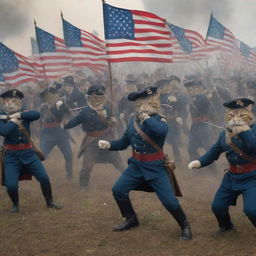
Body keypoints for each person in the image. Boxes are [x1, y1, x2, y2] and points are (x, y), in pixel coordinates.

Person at [98, 86, 192, 240]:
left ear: (154, 103)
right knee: (118, 190)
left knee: (169, 202)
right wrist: (109, 145)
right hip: (136, 166)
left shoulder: (159, 119)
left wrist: (146, 118)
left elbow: (160, 132)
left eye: (146, 103)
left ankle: (185, 225)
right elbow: (123, 143)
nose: (142, 106)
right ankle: (131, 219)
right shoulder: (132, 120)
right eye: (140, 104)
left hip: (156, 167)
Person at [188, 98, 256, 236]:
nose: (236, 118)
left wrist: (244, 130)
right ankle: (227, 227)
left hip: (252, 177)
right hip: (232, 176)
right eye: (233, 114)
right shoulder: (224, 134)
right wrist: (200, 162)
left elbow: (253, 146)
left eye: (241, 114)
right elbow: (214, 151)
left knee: (251, 210)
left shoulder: (253, 130)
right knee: (217, 206)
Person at [0, 89, 62, 213]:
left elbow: (36, 115)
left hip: (29, 153)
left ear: (20, 103)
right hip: (11, 156)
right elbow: (4, 131)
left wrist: (20, 115)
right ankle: (15, 205)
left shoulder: (24, 113)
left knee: (44, 178)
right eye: (7, 102)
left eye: (14, 101)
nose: (10, 104)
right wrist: (13, 120)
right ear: (3, 103)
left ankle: (49, 202)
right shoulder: (2, 116)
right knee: (11, 185)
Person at [64, 85, 124, 188]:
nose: (99, 100)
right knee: (87, 166)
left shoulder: (107, 108)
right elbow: (73, 123)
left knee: (118, 162)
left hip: (106, 139)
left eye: (101, 97)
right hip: (91, 142)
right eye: (96, 98)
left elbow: (111, 121)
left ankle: (129, 180)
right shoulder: (84, 111)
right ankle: (84, 187)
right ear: (90, 98)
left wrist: (113, 121)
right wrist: (65, 124)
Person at [39, 82, 73, 181]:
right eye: (50, 96)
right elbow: (44, 117)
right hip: (48, 134)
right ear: (46, 97)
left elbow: (69, 113)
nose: (53, 98)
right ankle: (40, 176)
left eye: (55, 96)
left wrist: (64, 110)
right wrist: (55, 107)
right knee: (41, 156)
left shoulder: (62, 104)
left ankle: (69, 176)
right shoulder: (43, 107)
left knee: (69, 156)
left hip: (60, 133)